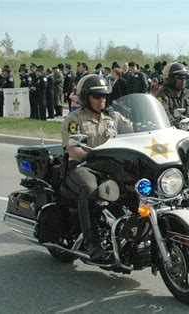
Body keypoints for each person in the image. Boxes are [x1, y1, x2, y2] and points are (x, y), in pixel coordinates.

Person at [61, 74, 133, 261]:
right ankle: (91, 241)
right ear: (86, 97)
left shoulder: (113, 116)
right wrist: (89, 154)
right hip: (83, 167)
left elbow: (135, 130)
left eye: (104, 96)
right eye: (97, 96)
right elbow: (74, 149)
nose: (102, 100)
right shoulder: (75, 119)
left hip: (111, 167)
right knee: (91, 189)